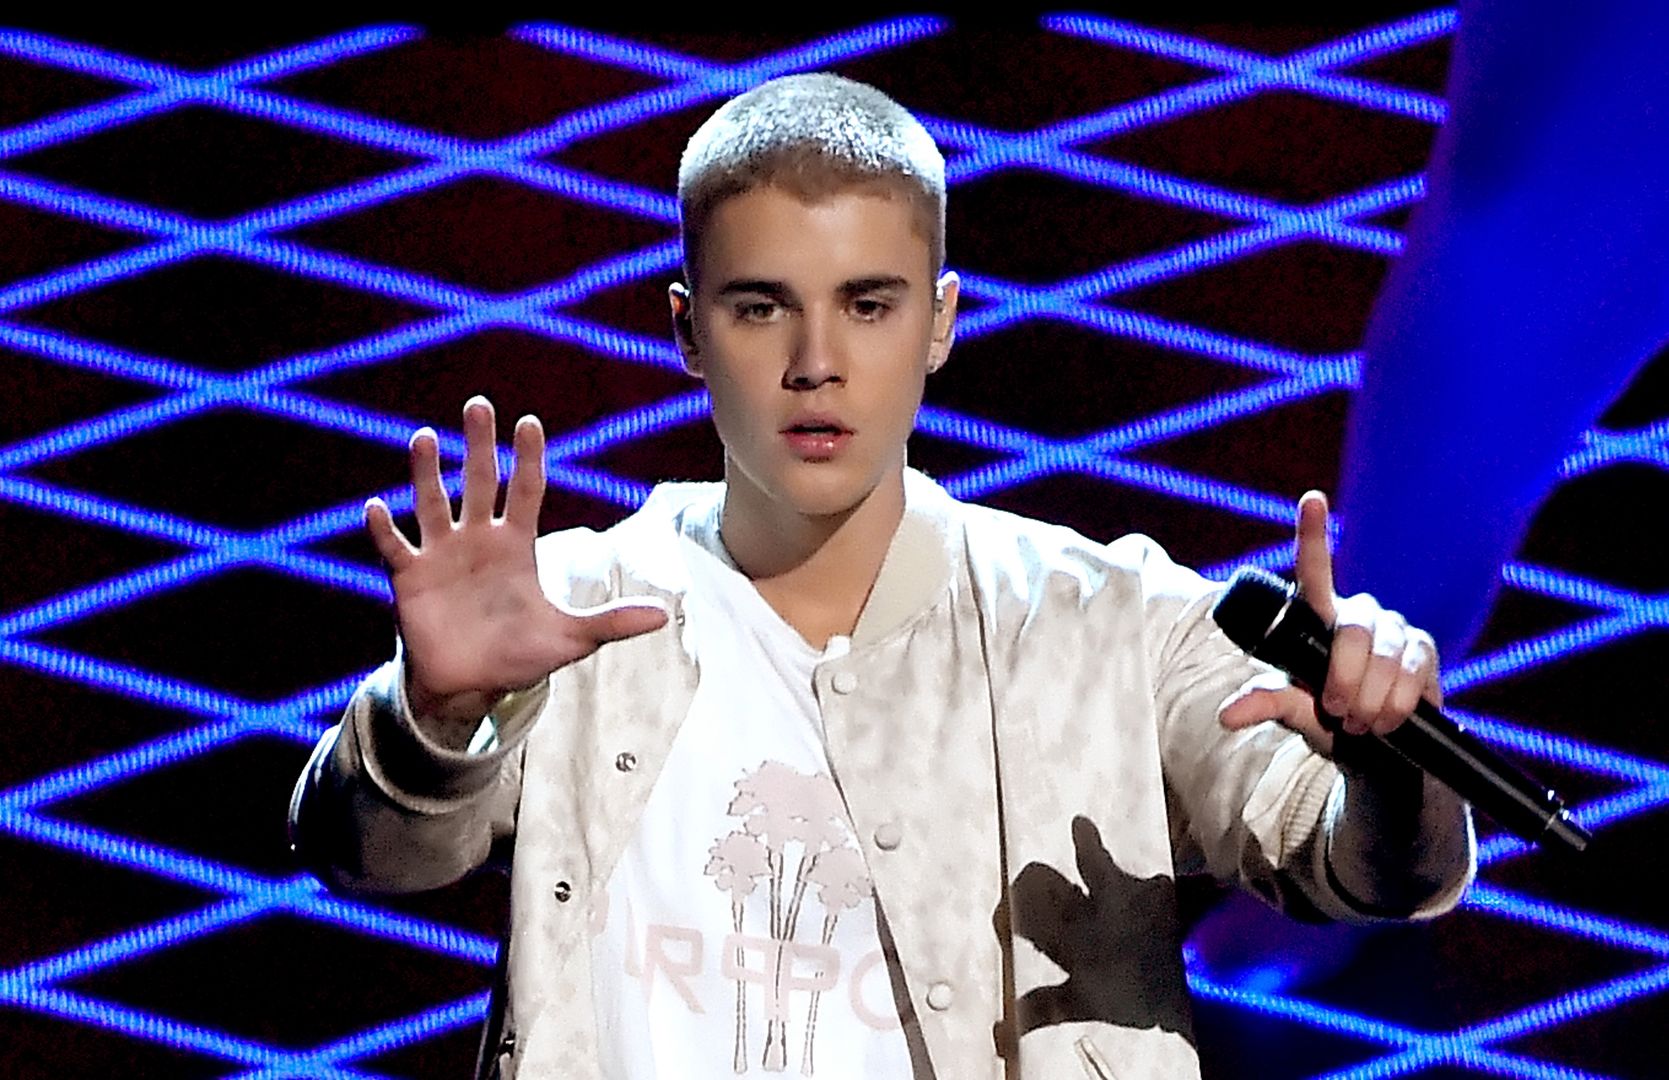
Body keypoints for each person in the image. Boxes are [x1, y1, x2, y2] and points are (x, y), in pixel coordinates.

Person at [289, 73, 1474, 1080]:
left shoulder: (1110, 626)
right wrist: (431, 716)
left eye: (868, 305)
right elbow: (374, 859)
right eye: (761, 309)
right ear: (688, 327)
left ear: (941, 322)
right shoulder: (573, 610)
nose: (817, 364)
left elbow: (1361, 871)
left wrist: (1388, 764)